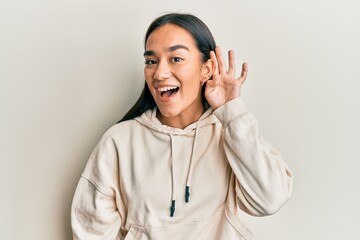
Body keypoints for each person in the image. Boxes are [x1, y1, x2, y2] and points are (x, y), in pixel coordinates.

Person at [71, 13, 293, 239]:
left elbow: (270, 199)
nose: (159, 73)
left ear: (206, 69)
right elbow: (91, 231)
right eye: (151, 61)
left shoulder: (229, 134)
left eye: (175, 58)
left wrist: (232, 111)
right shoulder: (118, 142)